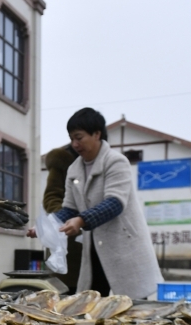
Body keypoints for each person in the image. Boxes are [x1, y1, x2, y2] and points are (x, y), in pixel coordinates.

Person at [49, 107, 162, 298]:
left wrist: (81, 221)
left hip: (122, 245)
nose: (75, 144)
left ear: (97, 134)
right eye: (72, 139)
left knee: (131, 305)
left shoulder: (116, 162)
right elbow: (69, 207)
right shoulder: (74, 169)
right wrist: (48, 225)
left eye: (79, 137)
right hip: (94, 247)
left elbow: (115, 203)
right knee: (92, 303)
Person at [41, 142, 81, 290]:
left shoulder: (101, 162)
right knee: (66, 292)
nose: (78, 143)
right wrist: (63, 218)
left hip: (96, 240)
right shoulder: (63, 162)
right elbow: (51, 197)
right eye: (75, 137)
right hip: (68, 241)